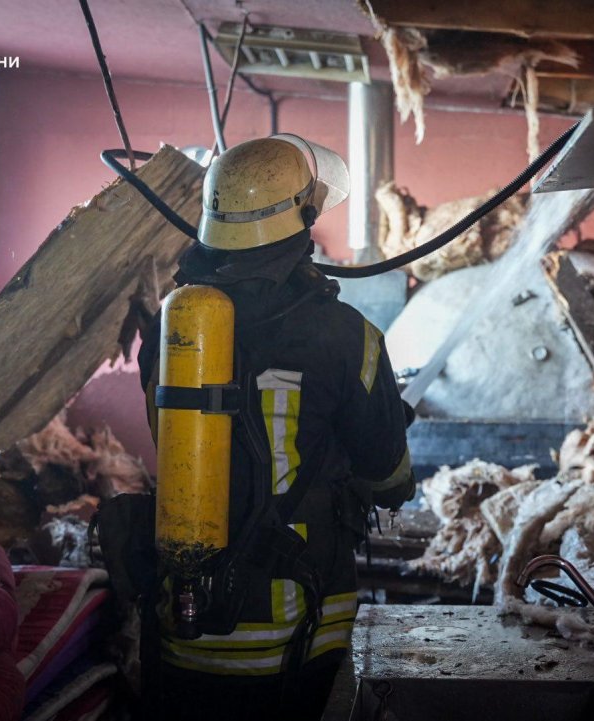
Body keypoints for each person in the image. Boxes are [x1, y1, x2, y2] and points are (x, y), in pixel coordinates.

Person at [137, 135, 415, 720]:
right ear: (302, 218)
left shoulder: (172, 327)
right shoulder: (344, 334)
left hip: (185, 618)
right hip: (296, 630)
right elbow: (388, 473)